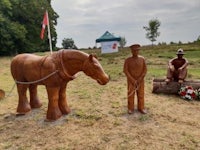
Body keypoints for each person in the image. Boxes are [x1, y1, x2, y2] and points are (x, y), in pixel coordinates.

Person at [123, 44, 147, 114]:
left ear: (139, 51)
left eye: (137, 50)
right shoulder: (128, 60)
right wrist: (132, 79)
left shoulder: (142, 59)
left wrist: (140, 78)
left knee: (141, 94)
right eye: (134, 50)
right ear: (131, 51)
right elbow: (125, 70)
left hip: (140, 81)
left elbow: (145, 70)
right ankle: (130, 108)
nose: (135, 52)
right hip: (131, 81)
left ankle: (141, 108)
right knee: (131, 94)